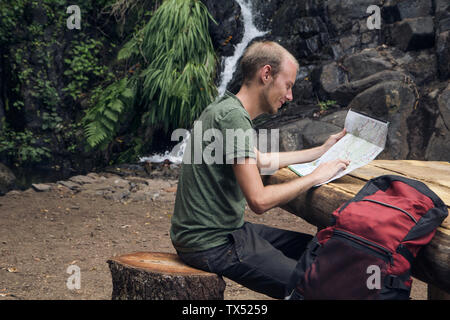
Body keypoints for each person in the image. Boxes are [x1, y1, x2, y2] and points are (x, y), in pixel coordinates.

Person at [170, 41, 350, 299]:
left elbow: (262, 161)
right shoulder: (233, 118)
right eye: (288, 85)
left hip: (220, 233)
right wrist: (314, 177)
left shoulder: (224, 109)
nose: (289, 96)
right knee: (314, 285)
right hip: (211, 244)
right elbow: (259, 200)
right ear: (266, 75)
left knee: (318, 247)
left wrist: (320, 151)